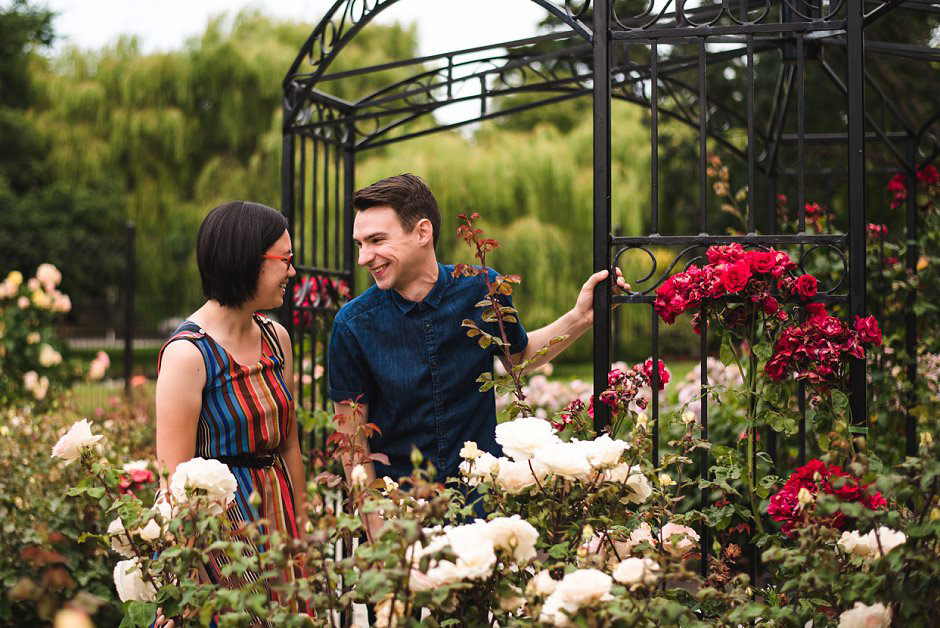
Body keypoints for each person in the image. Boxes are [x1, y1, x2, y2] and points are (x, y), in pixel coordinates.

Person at [327, 174, 627, 539]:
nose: (363, 258)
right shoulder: (352, 325)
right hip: (401, 519)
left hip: (482, 509)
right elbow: (352, 441)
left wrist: (582, 316)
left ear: (423, 232)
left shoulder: (483, 289)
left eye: (376, 241)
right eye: (360, 244)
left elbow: (520, 358)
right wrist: (377, 531)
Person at [154, 201, 309, 625]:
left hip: (279, 518)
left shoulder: (276, 337)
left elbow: (290, 442)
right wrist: (191, 575)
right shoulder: (188, 355)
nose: (292, 271)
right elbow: (174, 481)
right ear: (247, 260)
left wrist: (303, 528)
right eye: (286, 260)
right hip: (223, 534)